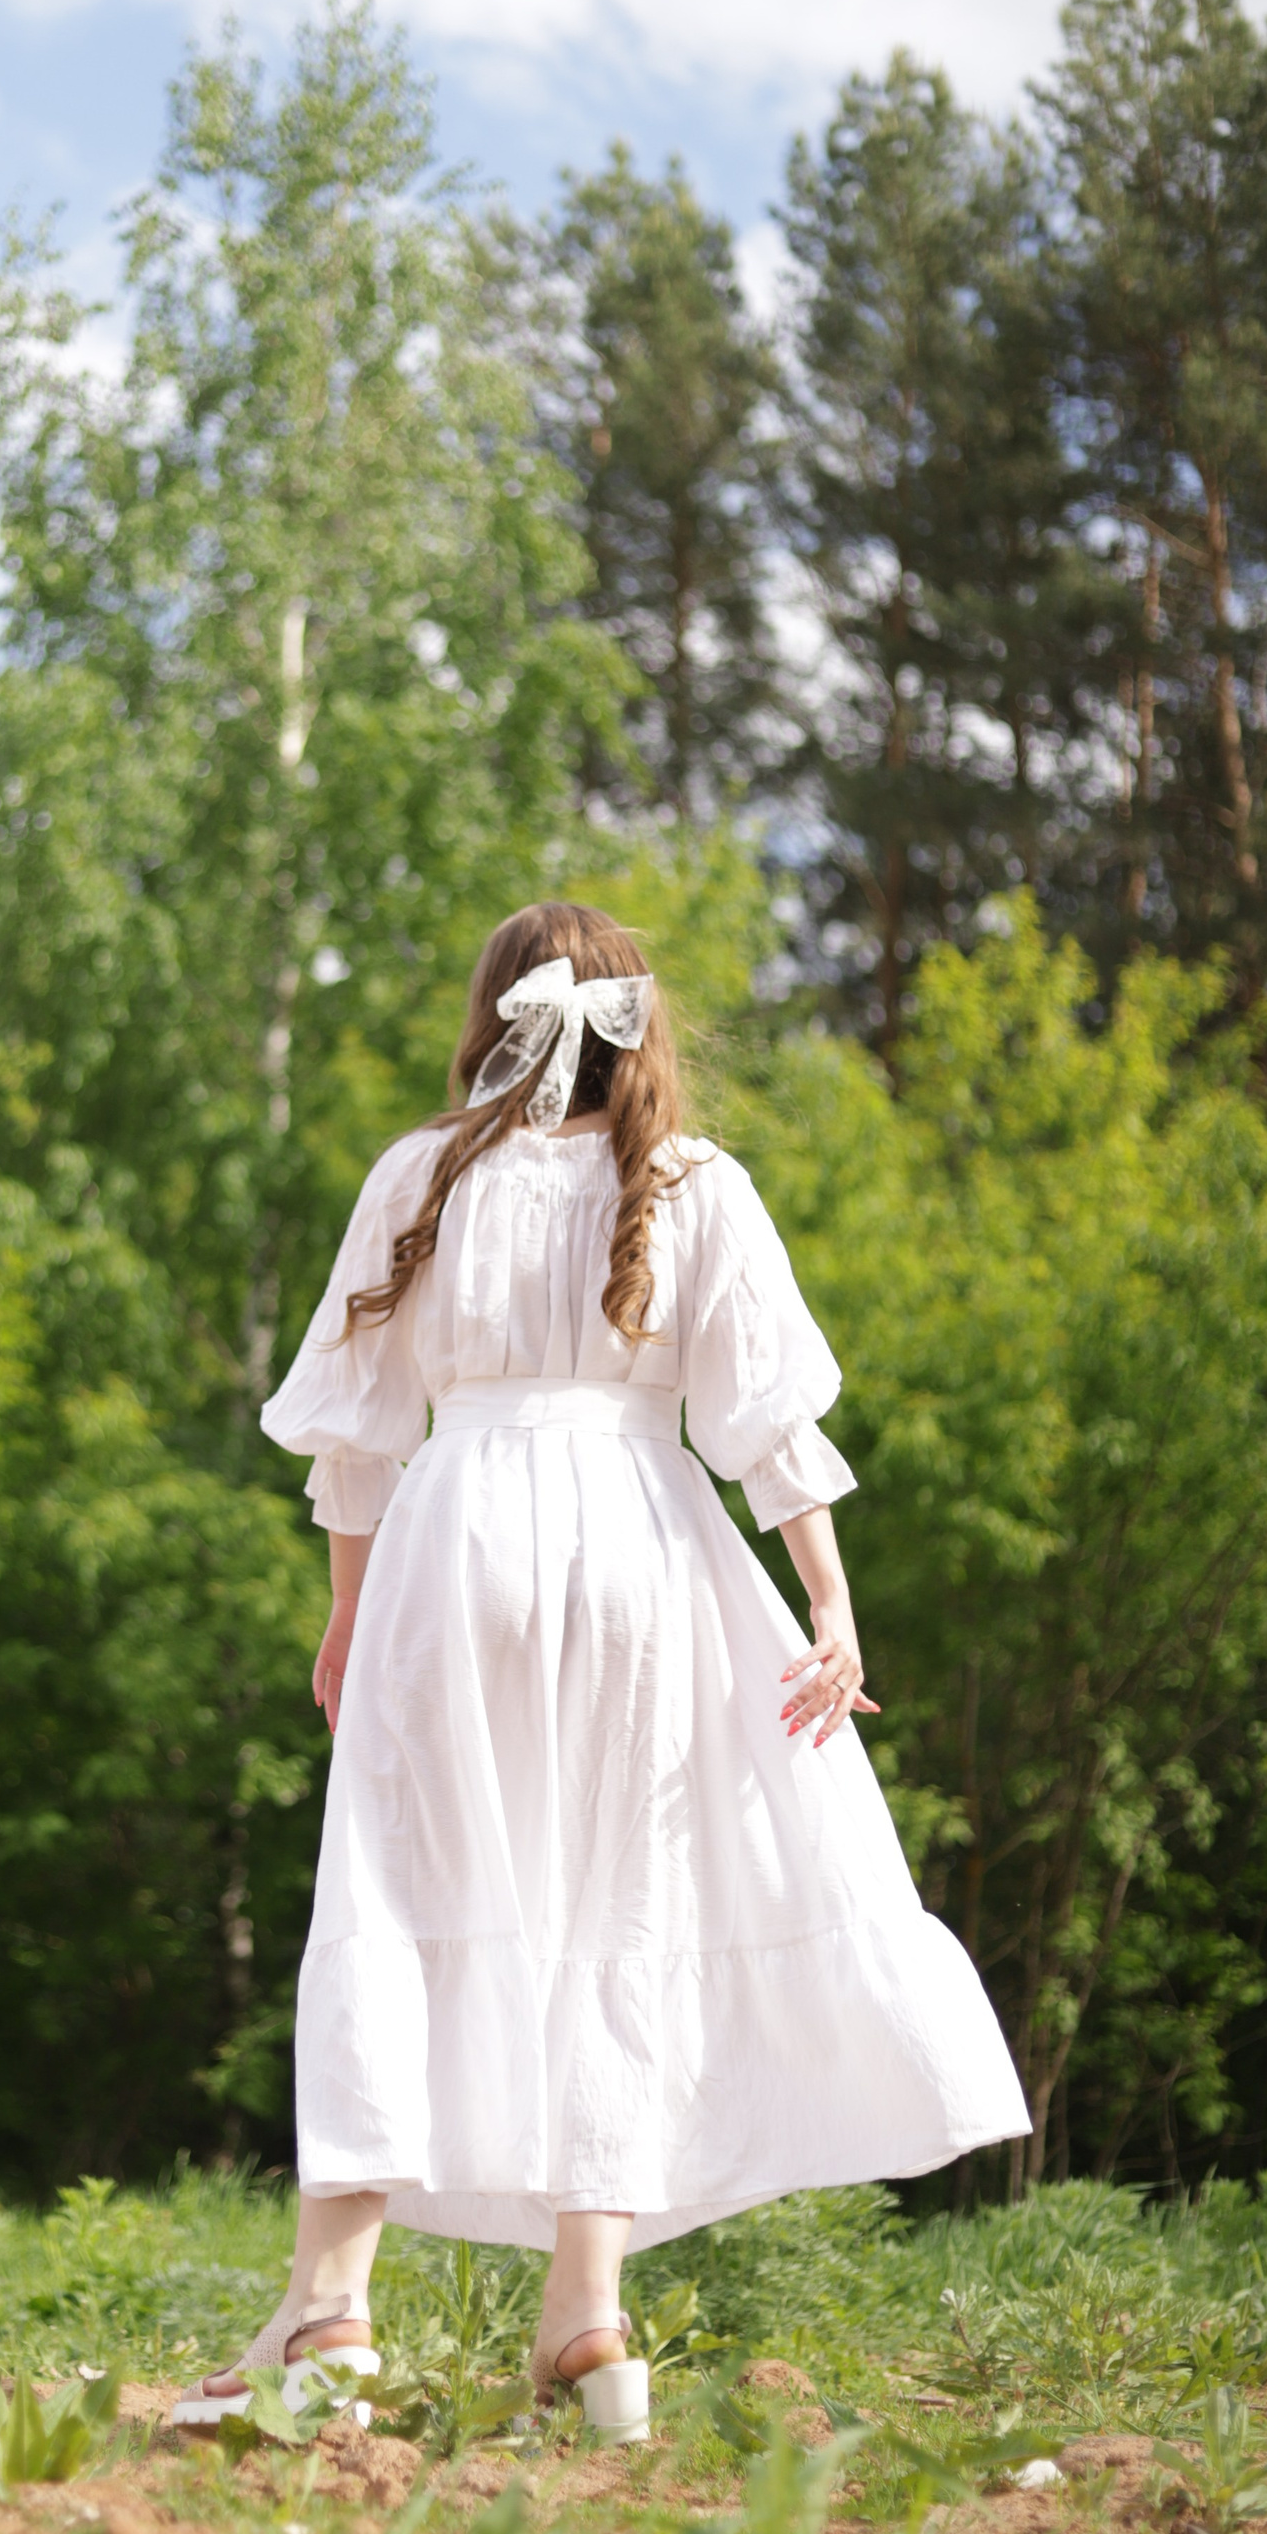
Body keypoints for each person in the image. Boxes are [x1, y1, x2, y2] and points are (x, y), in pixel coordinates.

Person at [177, 902, 1028, 2436]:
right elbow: (767, 1423)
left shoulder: (421, 1175)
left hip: (456, 1542)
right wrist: (829, 1604)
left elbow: (356, 1434)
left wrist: (347, 1614)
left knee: (399, 1891)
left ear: (493, 1018)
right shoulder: (694, 1182)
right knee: (624, 1909)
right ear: (641, 1027)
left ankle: (332, 2315)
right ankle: (587, 2320)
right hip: (643, 1547)